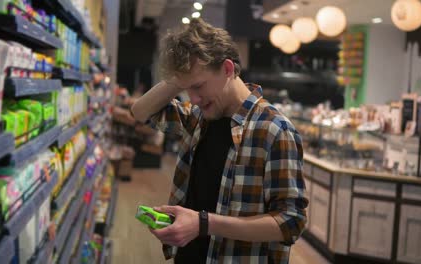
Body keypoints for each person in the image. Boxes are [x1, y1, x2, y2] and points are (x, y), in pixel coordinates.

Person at [131, 18, 308, 264]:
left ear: (227, 69)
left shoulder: (274, 130)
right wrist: (178, 78)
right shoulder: (198, 118)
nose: (193, 99)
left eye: (198, 86)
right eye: (186, 90)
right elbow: (140, 112)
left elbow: (291, 222)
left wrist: (204, 224)